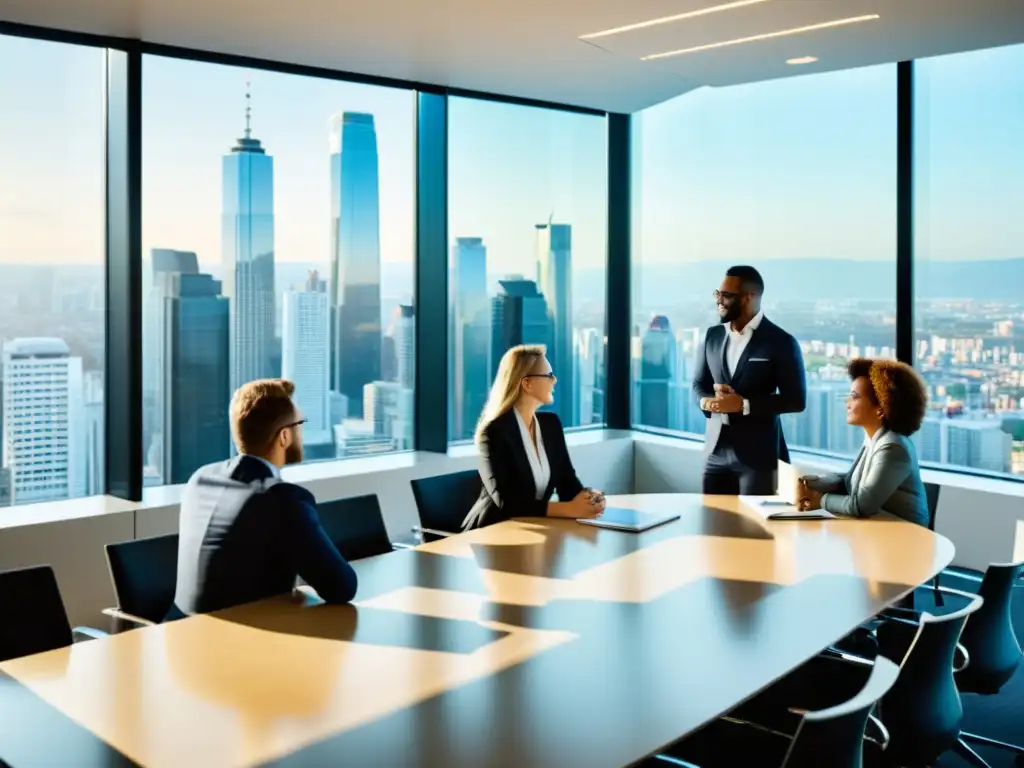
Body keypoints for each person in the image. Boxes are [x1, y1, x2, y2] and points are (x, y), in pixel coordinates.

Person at [166, 379, 357, 620]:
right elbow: (341, 587)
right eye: (300, 425)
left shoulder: (200, 478)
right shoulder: (283, 498)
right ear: (284, 436)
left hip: (180, 638)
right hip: (243, 645)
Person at [462, 344, 606, 530]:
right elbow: (507, 503)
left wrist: (589, 499)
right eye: (548, 375)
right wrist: (569, 509)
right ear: (527, 383)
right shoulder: (493, 432)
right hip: (494, 530)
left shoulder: (550, 425)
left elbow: (567, 484)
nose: (554, 380)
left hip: (536, 526)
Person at [693, 266, 807, 496]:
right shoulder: (712, 336)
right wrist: (708, 402)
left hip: (759, 457)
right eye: (718, 293)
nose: (719, 301)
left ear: (749, 297)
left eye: (726, 295)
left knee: (754, 528)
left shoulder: (781, 342)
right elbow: (698, 386)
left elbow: (796, 400)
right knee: (714, 524)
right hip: (715, 452)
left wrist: (744, 404)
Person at [798, 358, 929, 526]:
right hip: (878, 530)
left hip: (906, 539)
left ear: (881, 408)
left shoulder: (893, 448)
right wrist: (815, 482)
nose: (847, 403)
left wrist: (820, 500)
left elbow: (860, 505)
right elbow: (851, 481)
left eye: (855, 397)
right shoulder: (875, 438)